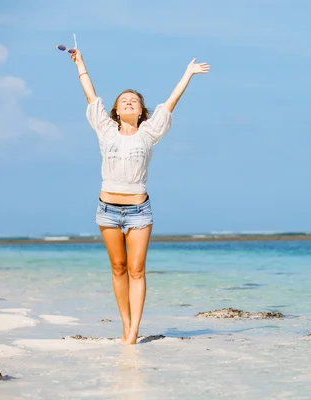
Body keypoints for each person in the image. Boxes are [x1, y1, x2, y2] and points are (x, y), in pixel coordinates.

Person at [70, 48, 210, 344]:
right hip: (107, 209)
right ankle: (125, 323)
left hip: (138, 212)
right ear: (117, 111)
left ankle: (134, 332)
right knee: (118, 268)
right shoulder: (105, 131)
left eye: (134, 100)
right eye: (123, 100)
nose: (129, 101)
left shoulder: (148, 134)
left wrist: (188, 74)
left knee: (136, 269)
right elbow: (90, 95)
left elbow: (170, 104)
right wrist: (81, 63)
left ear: (141, 111)